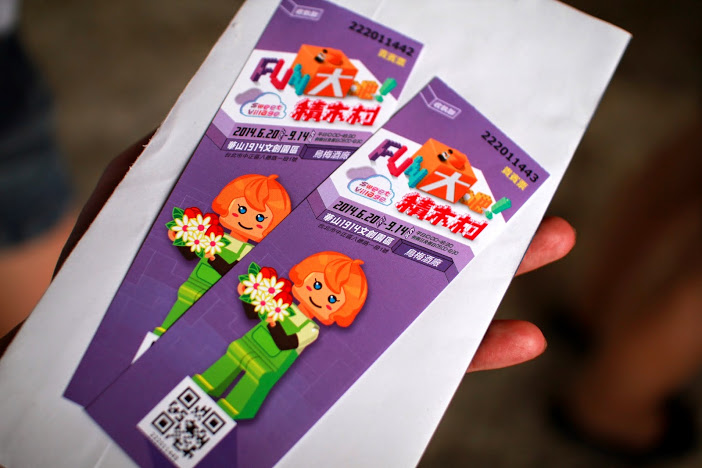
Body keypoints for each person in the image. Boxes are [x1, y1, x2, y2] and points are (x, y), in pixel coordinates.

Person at [40, 131, 576, 371]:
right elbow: (205, 248)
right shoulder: (251, 255)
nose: (249, 222)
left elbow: (287, 333)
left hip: (249, 357)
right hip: (192, 313)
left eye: (259, 218)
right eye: (245, 212)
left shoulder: (307, 322)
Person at [194, 251, 368, 419]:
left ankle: (236, 406)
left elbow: (286, 343)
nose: (319, 296)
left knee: (257, 375)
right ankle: (209, 383)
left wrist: (273, 323)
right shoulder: (283, 303)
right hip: (249, 343)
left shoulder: (311, 329)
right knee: (234, 353)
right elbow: (253, 315)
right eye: (317, 285)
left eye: (332, 299)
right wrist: (247, 296)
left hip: (272, 361)